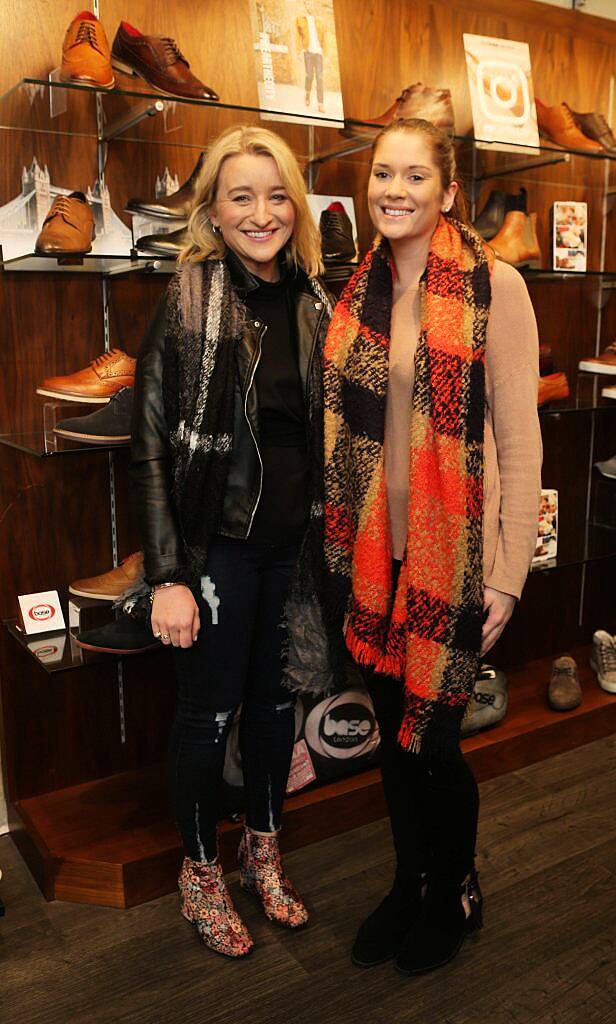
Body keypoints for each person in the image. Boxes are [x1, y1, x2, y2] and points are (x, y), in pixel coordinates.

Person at [318, 118, 542, 974]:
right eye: (383, 174)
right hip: (373, 562)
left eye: (416, 176)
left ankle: (453, 887)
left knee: (434, 744)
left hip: (454, 564)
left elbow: (520, 441)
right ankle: (410, 877)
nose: (395, 190)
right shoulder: (356, 292)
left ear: (448, 192)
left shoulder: (497, 288)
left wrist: (511, 574)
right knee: (391, 736)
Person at [130, 125, 332, 959]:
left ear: (297, 204)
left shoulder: (316, 301)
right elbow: (147, 439)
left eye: (276, 193)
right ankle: (202, 871)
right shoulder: (187, 301)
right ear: (212, 209)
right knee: (207, 719)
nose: (261, 213)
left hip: (295, 550)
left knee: (278, 714)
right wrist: (169, 573)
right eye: (240, 196)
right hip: (217, 552)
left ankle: (263, 855)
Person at [295, 0, 326, 113]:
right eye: (307, 3)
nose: (310, 6)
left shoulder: (320, 21)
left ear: (314, 5)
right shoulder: (300, 19)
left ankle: (320, 104)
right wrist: (299, 51)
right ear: (305, 5)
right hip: (307, 52)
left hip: (318, 53)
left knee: (320, 78)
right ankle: (307, 94)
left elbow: (324, 37)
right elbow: (297, 36)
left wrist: (323, 51)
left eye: (311, 3)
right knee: (309, 76)